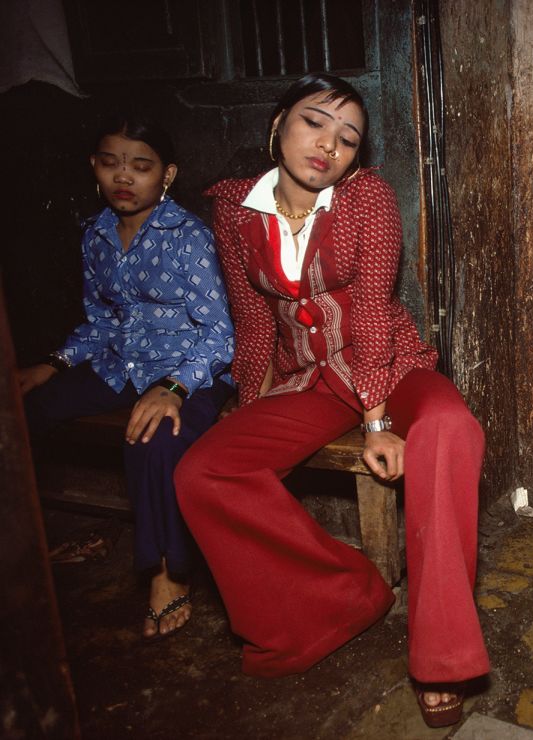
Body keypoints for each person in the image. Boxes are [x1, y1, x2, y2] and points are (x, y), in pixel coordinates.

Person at [173, 73, 488, 727]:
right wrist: (247, 401)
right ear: (279, 123)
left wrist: (378, 418)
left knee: (450, 429)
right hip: (308, 378)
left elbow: (372, 309)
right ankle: (347, 597)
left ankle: (443, 658)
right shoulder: (234, 210)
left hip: (390, 366)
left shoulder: (365, 199)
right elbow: (254, 321)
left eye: (348, 137)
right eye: (315, 122)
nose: (329, 145)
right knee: (205, 471)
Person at [18, 116, 235, 640]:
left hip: (193, 371)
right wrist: (54, 362)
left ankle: (166, 571)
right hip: (122, 364)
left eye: (141, 166)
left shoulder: (188, 237)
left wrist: (175, 387)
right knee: (28, 408)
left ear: (167, 175)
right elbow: (103, 322)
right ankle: (25, 543)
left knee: (154, 437)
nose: (124, 176)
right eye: (110, 163)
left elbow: (221, 334)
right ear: (93, 167)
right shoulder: (96, 235)